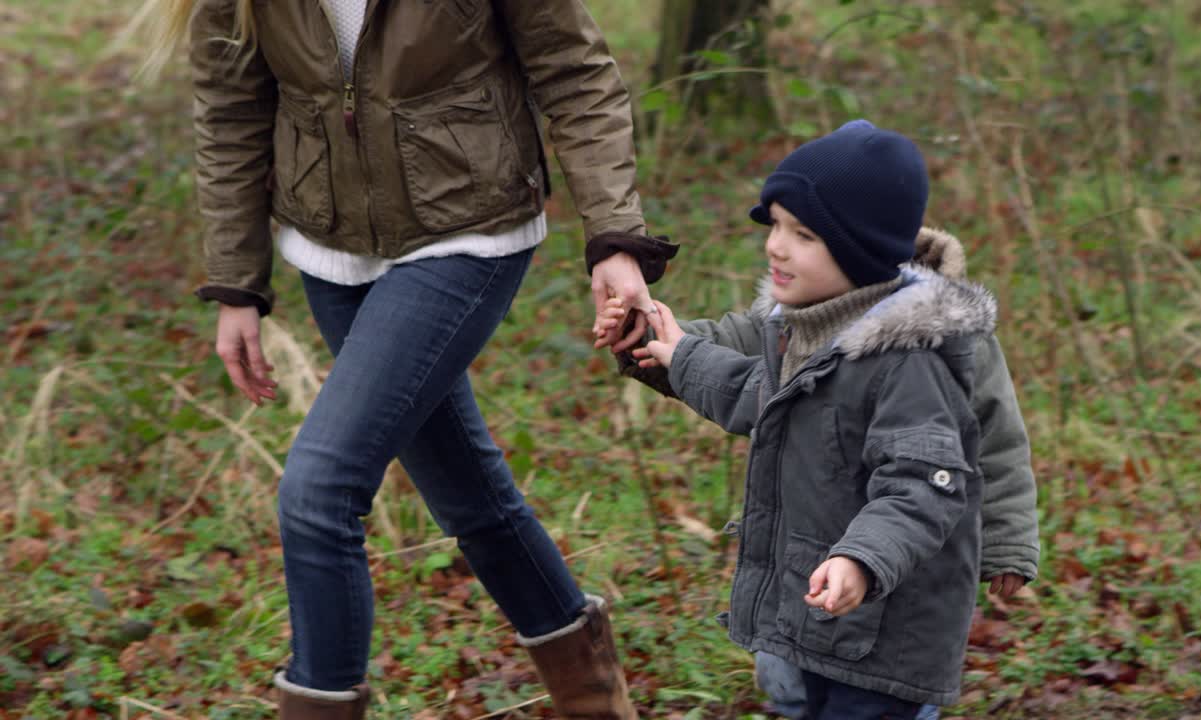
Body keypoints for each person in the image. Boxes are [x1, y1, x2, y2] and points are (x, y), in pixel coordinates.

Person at [133, 1, 677, 717]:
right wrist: (238, 281)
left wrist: (614, 236)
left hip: (469, 229)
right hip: (330, 251)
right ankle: (596, 701)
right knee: (469, 498)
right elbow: (232, 111)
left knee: (319, 492)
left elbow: (575, 73)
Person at [603, 120, 1015, 718]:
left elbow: (925, 485)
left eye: (803, 234)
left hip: (881, 633)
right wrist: (661, 343)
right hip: (804, 608)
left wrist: (863, 559)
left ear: (858, 251)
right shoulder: (794, 324)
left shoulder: (908, 363)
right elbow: (758, 393)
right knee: (794, 698)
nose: (775, 245)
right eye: (774, 224)